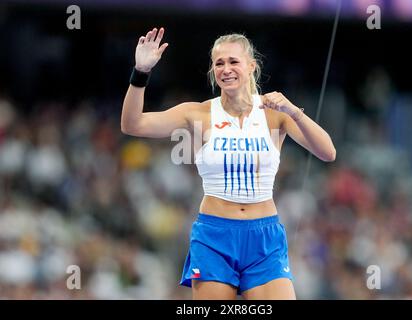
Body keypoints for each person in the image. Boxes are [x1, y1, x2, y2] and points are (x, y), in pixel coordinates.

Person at [121, 27, 336, 300]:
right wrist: (141, 72)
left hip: (264, 238)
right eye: (219, 63)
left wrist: (294, 111)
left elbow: (328, 152)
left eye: (233, 61)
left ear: (251, 66)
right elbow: (132, 124)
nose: (226, 69)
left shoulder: (274, 113)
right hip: (215, 237)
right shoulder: (198, 113)